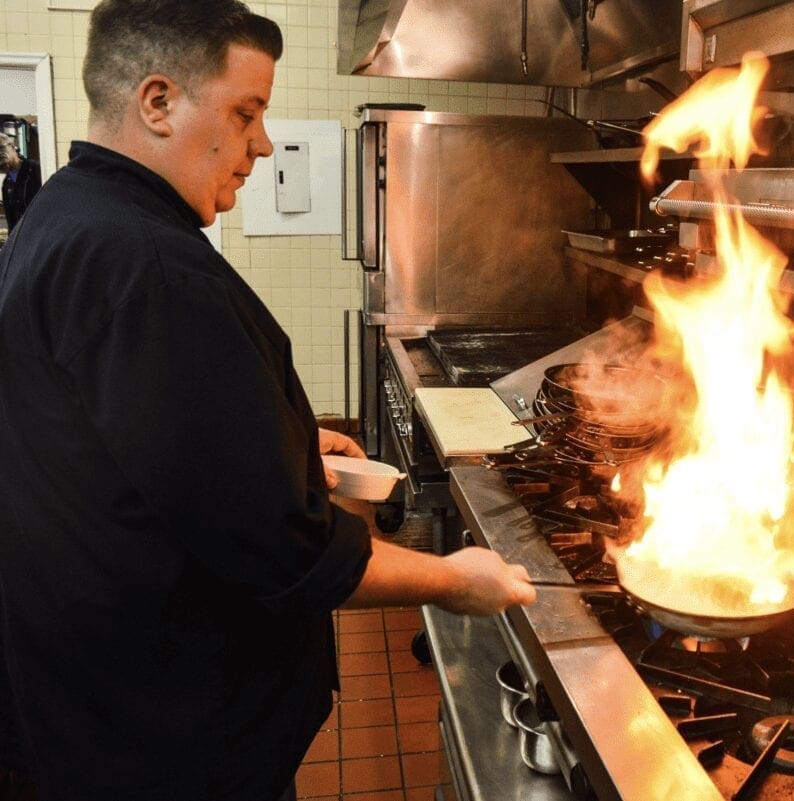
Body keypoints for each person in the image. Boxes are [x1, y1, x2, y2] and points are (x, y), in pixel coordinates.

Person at [0, 2, 536, 801]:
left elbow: (133, 447)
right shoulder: (150, 269)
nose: (263, 142)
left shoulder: (64, 213)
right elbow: (286, 554)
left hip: (83, 709)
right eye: (246, 111)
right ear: (158, 102)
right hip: (166, 742)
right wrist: (456, 580)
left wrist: (282, 443)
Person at [0, 133, 41, 236]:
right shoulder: (6, 183)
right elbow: (11, 222)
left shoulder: (35, 169)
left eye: (1, 148)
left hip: (40, 234)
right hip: (22, 239)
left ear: (13, 147)